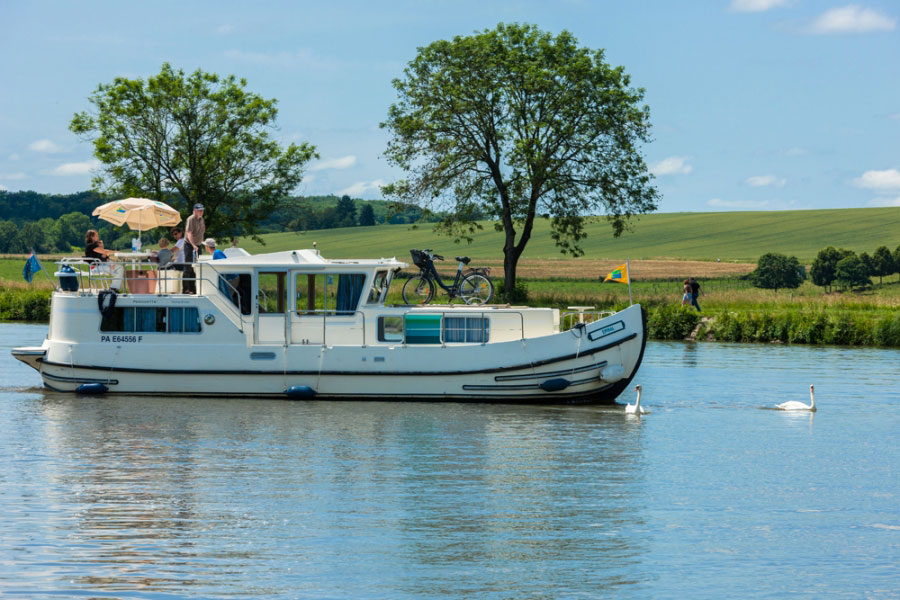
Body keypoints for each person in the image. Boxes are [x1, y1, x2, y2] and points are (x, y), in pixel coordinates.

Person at [182, 204, 205, 294]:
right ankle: (186, 289)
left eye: (202, 210)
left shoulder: (201, 219)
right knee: (188, 267)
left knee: (196, 268)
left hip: (197, 245)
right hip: (189, 245)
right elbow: (189, 233)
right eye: (199, 210)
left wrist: (201, 239)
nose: (201, 212)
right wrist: (193, 245)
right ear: (194, 210)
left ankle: (193, 288)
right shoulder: (191, 219)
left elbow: (203, 228)